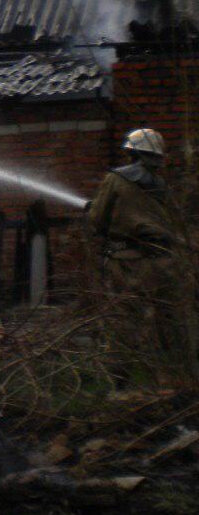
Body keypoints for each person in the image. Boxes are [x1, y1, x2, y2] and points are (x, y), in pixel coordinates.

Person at [86, 128, 189, 361]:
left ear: (133, 153)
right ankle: (175, 374)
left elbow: (97, 219)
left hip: (127, 262)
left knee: (124, 317)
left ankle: (121, 382)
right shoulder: (162, 186)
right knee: (168, 319)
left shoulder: (116, 178)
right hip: (164, 261)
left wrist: (93, 212)